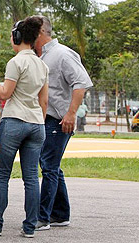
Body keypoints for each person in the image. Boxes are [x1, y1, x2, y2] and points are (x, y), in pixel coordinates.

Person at [0, 16, 48, 238]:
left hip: (14, 120)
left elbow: (5, 93)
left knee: (2, 176)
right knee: (31, 178)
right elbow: (44, 101)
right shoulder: (42, 65)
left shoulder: (16, 62)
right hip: (36, 123)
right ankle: (29, 227)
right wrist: (39, 122)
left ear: (17, 37)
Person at [34, 15, 92, 231]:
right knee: (51, 165)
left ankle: (43, 217)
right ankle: (60, 214)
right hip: (45, 118)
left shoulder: (62, 54)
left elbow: (81, 83)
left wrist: (71, 114)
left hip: (59, 120)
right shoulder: (39, 56)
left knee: (49, 166)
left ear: (40, 32)